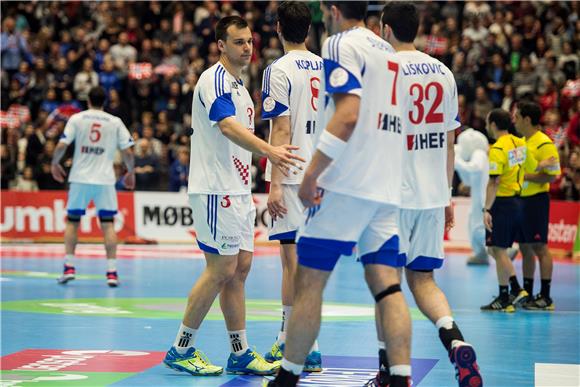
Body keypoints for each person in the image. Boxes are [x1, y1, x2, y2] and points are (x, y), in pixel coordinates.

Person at [267, 2, 412, 386]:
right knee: (388, 285)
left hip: (348, 182)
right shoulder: (389, 51)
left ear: (332, 10)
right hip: (385, 184)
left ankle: (288, 377)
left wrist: (313, 173)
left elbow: (347, 113)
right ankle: (400, 377)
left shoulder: (337, 44)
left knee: (309, 282)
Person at [162, 16, 304, 377]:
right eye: (239, 42)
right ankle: (181, 348)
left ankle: (239, 352)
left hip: (238, 190)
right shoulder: (215, 80)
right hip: (215, 189)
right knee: (221, 268)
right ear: (221, 45)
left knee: (239, 270)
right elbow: (226, 126)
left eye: (250, 42)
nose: (247, 48)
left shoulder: (241, 86)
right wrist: (270, 153)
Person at [378, 4, 482, 387]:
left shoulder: (385, 70)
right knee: (423, 280)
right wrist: (448, 195)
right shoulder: (444, 72)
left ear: (385, 29)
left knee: (386, 283)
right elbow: (449, 142)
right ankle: (454, 341)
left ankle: (388, 371)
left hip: (392, 194)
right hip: (432, 192)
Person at [260, 1, 322, 372]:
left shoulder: (278, 70)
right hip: (322, 174)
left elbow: (280, 130)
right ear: (309, 30)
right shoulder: (327, 67)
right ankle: (298, 339)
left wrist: (275, 184)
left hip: (294, 172)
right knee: (311, 265)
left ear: (279, 27)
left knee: (291, 263)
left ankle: (300, 343)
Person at [51, 86, 135, 287]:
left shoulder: (77, 119)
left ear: (88, 100)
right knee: (108, 225)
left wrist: (55, 163)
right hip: (105, 179)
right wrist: (130, 172)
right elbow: (128, 152)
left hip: (80, 178)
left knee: (72, 222)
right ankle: (112, 272)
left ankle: (69, 267)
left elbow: (62, 145)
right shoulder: (115, 122)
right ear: (104, 102)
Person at [481, 109, 538, 312]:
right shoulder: (520, 143)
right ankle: (505, 297)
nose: (486, 126)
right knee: (497, 249)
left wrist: (486, 209)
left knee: (497, 249)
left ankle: (514, 288)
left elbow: (494, 181)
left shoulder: (497, 149)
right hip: (518, 201)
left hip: (502, 203)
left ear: (494, 125)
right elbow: (532, 166)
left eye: (488, 123)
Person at [513, 101, 561, 310]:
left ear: (526, 119)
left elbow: (552, 176)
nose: (514, 120)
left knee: (540, 247)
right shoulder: (521, 142)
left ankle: (546, 296)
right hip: (520, 200)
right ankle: (528, 292)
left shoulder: (545, 143)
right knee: (525, 247)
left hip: (536, 202)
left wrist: (526, 175)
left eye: (516, 117)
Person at [455, 128, 491, 265]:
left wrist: (457, 161)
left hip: (483, 197)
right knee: (473, 225)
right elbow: (470, 178)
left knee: (479, 227)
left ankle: (505, 248)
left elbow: (473, 168)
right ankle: (481, 253)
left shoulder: (479, 154)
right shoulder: (474, 154)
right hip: (478, 195)